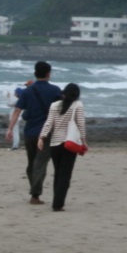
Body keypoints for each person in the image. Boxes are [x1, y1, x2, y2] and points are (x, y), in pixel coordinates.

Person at [7, 61, 62, 206]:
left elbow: (17, 111)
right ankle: (35, 194)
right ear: (48, 73)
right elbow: (63, 110)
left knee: (32, 163)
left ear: (35, 73)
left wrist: (10, 129)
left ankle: (34, 192)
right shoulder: (56, 90)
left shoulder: (27, 91)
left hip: (29, 132)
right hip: (46, 133)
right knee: (40, 163)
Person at [37, 82, 86, 212]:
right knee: (65, 175)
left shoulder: (54, 105)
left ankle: (56, 200)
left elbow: (49, 123)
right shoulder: (78, 105)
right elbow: (81, 125)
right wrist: (84, 142)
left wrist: (41, 137)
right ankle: (57, 204)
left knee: (58, 173)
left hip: (54, 145)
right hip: (69, 143)